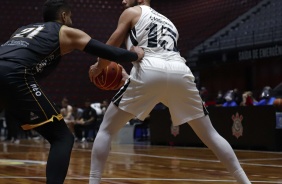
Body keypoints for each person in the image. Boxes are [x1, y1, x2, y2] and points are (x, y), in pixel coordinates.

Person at [88, 0, 251, 184]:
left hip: (149, 68)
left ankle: (94, 181)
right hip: (180, 71)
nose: (123, 1)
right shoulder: (169, 23)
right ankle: (245, 182)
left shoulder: (132, 12)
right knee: (211, 135)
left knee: (106, 130)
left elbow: (112, 45)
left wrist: (98, 66)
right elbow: (162, 61)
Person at [0, 0, 144, 183]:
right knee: (62, 138)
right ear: (64, 16)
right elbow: (108, 52)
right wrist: (135, 55)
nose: (72, 19)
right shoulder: (66, 32)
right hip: (15, 75)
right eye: (71, 16)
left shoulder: (23, 29)